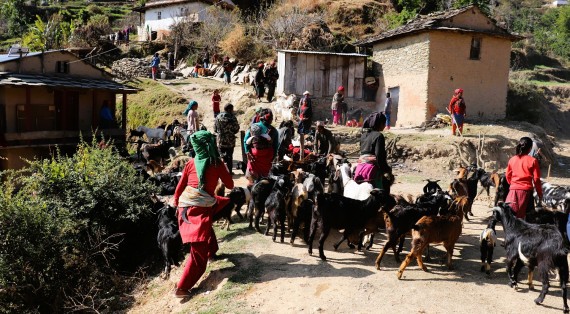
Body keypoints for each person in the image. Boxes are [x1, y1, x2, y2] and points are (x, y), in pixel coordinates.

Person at [172, 130, 234, 298]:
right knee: (198, 254)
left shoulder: (191, 163)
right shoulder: (217, 163)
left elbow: (180, 187)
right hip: (197, 210)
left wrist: (176, 202)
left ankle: (212, 251)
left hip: (185, 207)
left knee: (218, 205)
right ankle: (182, 288)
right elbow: (230, 185)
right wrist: (221, 171)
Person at [505, 137, 543, 219]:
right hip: (526, 193)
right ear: (530, 149)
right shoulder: (533, 161)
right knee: (528, 219)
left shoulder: (512, 159)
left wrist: (513, 185)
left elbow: (508, 176)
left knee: (511, 217)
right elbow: (536, 179)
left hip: (512, 192)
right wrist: (540, 194)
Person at [353, 112, 392, 189]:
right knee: (387, 180)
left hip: (360, 167)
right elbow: (379, 156)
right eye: (384, 123)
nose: (384, 126)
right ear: (380, 124)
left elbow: (363, 152)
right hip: (371, 169)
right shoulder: (379, 136)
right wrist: (386, 169)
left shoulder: (363, 135)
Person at [243, 108, 279, 185]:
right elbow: (276, 146)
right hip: (267, 159)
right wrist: (273, 157)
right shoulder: (274, 131)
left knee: (252, 182)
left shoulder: (253, 127)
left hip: (253, 158)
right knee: (265, 183)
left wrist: (247, 152)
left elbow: (246, 141)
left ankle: (252, 193)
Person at [214, 103, 240, 173]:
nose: (233, 111)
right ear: (229, 109)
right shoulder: (232, 117)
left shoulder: (218, 116)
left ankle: (221, 172)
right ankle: (229, 172)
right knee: (229, 156)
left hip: (220, 140)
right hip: (230, 140)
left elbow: (215, 129)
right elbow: (236, 129)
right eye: (232, 109)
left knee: (221, 156)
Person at [297, 91, 313, 159]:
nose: (305, 102)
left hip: (306, 122)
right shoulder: (300, 107)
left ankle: (306, 144)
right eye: (304, 101)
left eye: (307, 95)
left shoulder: (308, 107)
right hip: (301, 121)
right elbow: (298, 113)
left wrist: (306, 118)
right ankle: (301, 143)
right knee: (300, 133)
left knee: (306, 133)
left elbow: (310, 115)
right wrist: (300, 118)